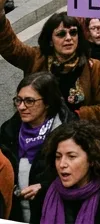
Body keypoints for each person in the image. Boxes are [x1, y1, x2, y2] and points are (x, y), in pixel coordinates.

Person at [0, 8, 100, 124]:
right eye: (61, 34)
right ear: (50, 40)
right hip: (37, 130)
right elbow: (10, 47)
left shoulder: (94, 68)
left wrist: (76, 116)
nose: (69, 38)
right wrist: (0, 16)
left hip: (76, 133)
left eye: (73, 33)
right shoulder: (35, 58)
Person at [29, 120, 100, 224]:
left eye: (71, 156)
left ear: (92, 159)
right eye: (58, 157)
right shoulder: (44, 195)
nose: (62, 164)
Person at [0, 72, 73, 221]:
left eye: (29, 101)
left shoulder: (68, 133)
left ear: (47, 103)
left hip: (52, 213)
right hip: (15, 214)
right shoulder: (8, 131)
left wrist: (45, 187)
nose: (21, 107)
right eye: (18, 100)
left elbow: (80, 176)